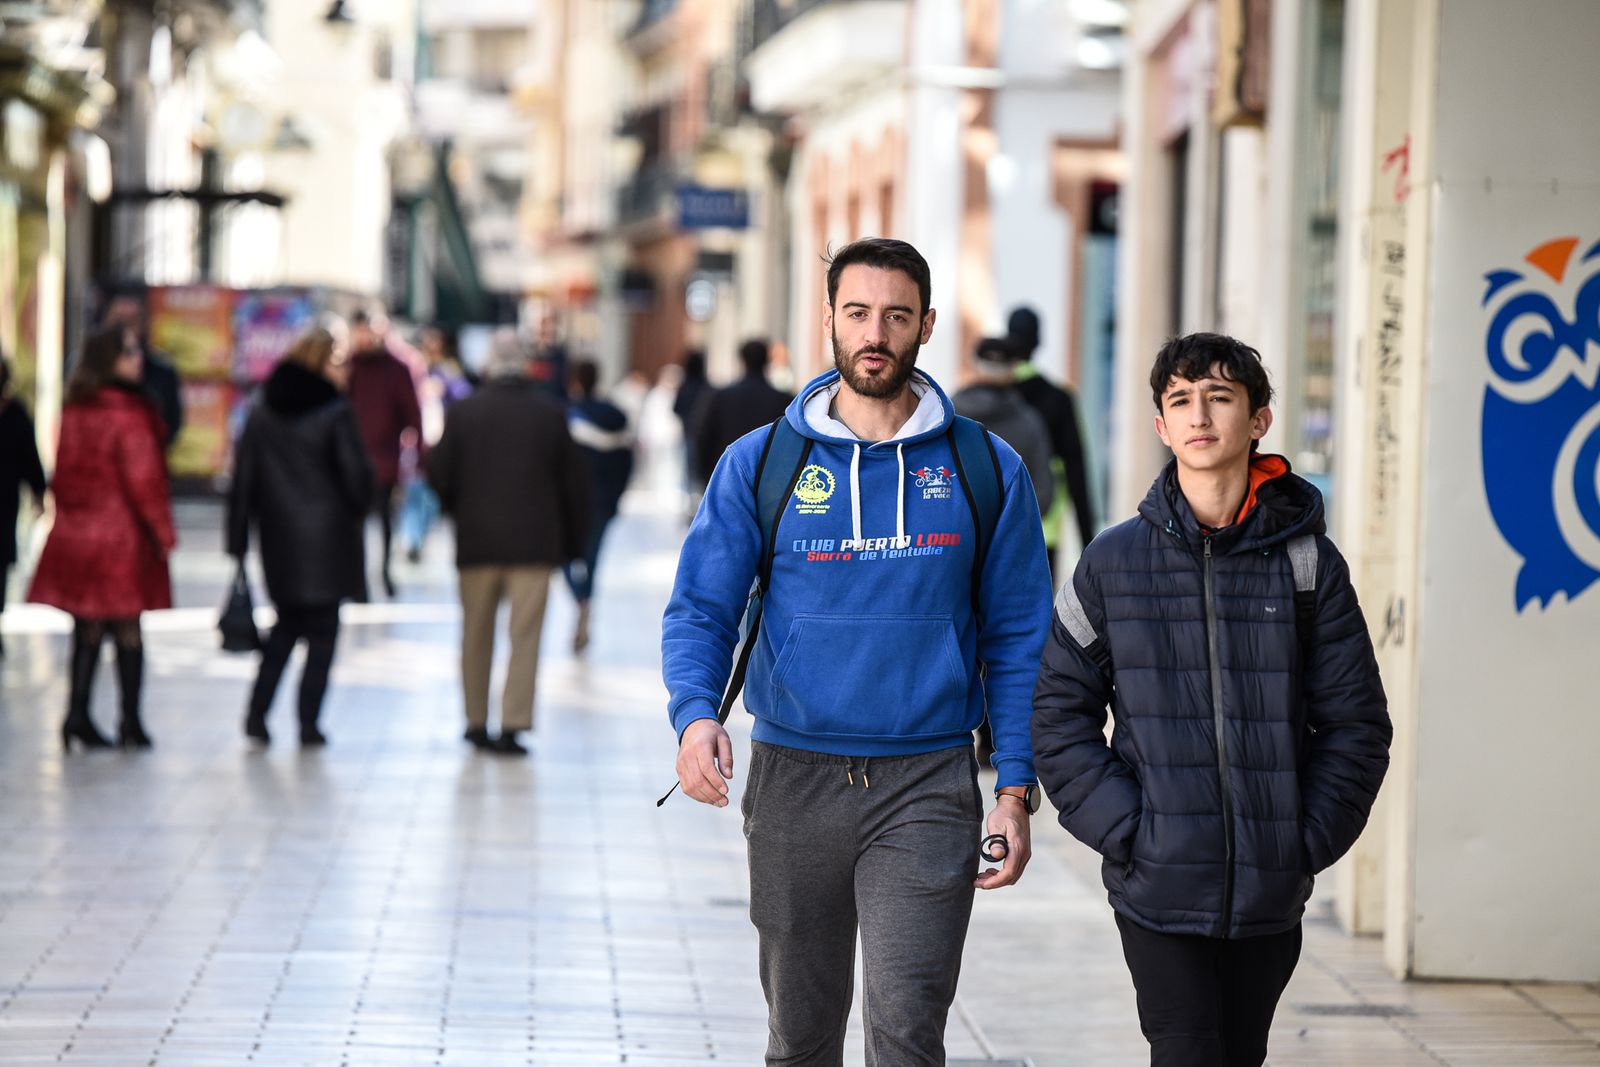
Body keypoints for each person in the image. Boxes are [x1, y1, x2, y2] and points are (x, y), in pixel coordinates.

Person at [662, 237, 1052, 1065]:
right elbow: (701, 607)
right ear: (830, 319)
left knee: (907, 1028)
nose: (876, 332)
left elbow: (1021, 637)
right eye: (859, 312)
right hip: (793, 778)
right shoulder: (762, 462)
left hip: (930, 781)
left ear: (927, 325)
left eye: (897, 316)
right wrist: (696, 717)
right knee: (800, 1037)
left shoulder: (987, 468)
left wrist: (1014, 785)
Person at [1032, 332, 1392, 1067]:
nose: (1200, 415)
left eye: (1220, 397)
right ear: (1163, 427)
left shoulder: (1305, 564)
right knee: (1187, 1049)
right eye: (1181, 401)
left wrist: (1304, 837)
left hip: (1269, 888)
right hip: (1157, 883)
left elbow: (1357, 721)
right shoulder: (1113, 562)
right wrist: (1132, 830)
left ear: (1258, 419)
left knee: (1239, 1052)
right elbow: (1057, 713)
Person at [425, 330, 589, 756]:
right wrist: (573, 545)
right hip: (534, 546)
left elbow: (437, 473)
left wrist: (457, 509)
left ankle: (475, 720)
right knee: (525, 636)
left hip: (476, 542)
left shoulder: (463, 412)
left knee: (475, 634)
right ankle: (513, 725)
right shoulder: (550, 415)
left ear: (489, 366)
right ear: (526, 366)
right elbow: (574, 486)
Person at [28, 327, 175, 750]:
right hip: (118, 538)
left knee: (88, 627)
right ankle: (130, 721)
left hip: (78, 533)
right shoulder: (129, 413)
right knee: (128, 628)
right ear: (108, 359)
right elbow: (144, 482)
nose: (138, 359)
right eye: (129, 352)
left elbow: (66, 472)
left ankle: (78, 714)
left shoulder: (76, 409)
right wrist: (162, 534)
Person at [228, 327, 373, 748]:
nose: (347, 372)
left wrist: (237, 539)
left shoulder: (262, 408)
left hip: (279, 541)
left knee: (286, 627)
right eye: (340, 362)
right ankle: (308, 723)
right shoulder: (336, 411)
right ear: (319, 362)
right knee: (323, 635)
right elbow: (357, 481)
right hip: (328, 541)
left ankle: (257, 713)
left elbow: (244, 480)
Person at [1006, 306, 1096, 576]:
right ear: (1038, 343)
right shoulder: (1059, 399)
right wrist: (1089, 544)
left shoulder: (990, 399)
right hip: (1045, 529)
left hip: (996, 527)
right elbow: (1077, 471)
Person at [345, 309, 421, 599]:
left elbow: (412, 414)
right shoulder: (350, 366)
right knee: (357, 522)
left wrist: (418, 452)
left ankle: (384, 572)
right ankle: (359, 580)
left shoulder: (396, 369)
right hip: (353, 459)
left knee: (385, 520)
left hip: (385, 460)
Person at [564, 359, 635, 655]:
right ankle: (586, 603)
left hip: (573, 502)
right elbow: (627, 461)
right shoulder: (617, 417)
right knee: (593, 559)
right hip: (604, 502)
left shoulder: (570, 417)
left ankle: (580, 600)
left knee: (565, 555)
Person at [952, 336, 1056, 516]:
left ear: (973, 364)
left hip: (955, 536)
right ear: (1013, 369)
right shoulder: (1029, 422)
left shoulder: (946, 416)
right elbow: (1044, 495)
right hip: (1012, 537)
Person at [399, 326, 472, 563]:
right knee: (414, 493)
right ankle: (412, 538)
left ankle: (416, 536)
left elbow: (462, 400)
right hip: (413, 445)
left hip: (438, 445)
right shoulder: (411, 373)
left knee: (430, 497)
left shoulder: (448, 374)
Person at [690, 337, 793, 485]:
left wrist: (706, 475)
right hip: (770, 481)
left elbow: (704, 436)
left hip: (727, 476)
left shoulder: (721, 397)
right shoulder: (784, 400)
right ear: (767, 360)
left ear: (742, 360)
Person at [0, 353, 47, 656]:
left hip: (4, 502)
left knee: (1, 563)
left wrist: (39, 492)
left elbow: (30, 456)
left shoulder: (15, 412)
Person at [103, 294, 184, 449]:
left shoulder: (160, 373)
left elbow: (171, 425)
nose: (124, 330)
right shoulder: (88, 379)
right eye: (119, 320)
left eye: (131, 321)